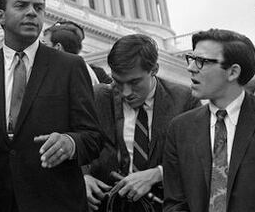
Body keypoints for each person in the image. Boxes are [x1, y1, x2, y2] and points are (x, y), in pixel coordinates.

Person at [0, 0, 103, 212]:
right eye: (21, 6)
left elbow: (93, 137)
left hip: (56, 201)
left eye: (38, 8)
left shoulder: (70, 67)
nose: (31, 13)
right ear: (0, 16)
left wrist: (70, 143)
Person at [163, 29, 255, 212]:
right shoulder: (180, 128)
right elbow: (174, 203)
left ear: (233, 72)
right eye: (191, 58)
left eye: (202, 61)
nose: (191, 67)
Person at [84, 34, 199, 212]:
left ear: (154, 69)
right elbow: (78, 142)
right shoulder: (97, 97)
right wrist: (83, 177)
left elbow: (197, 158)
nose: (125, 92)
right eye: (118, 82)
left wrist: (157, 174)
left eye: (134, 82)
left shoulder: (184, 100)